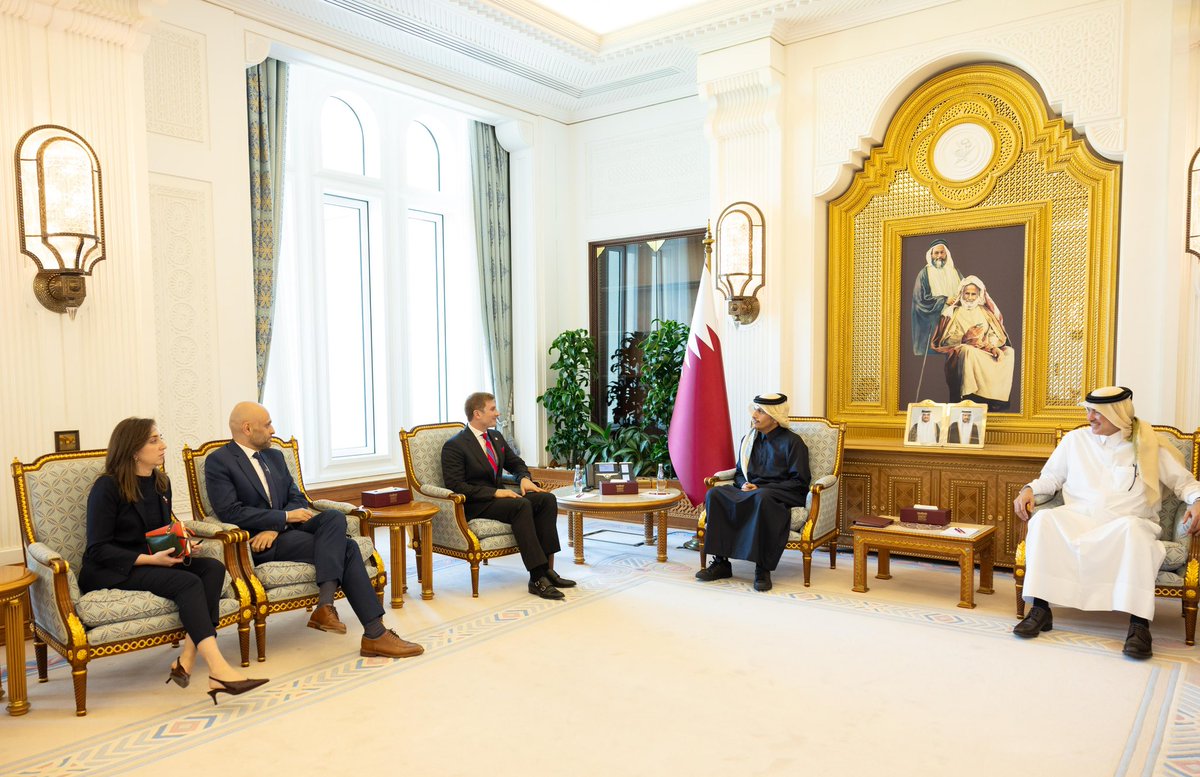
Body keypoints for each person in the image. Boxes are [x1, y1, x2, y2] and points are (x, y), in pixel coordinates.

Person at [205, 402, 423, 659]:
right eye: (267, 425)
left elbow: (297, 497)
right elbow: (231, 512)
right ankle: (373, 633)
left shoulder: (274, 456)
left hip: (282, 530)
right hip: (259, 543)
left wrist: (278, 524)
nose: (273, 430)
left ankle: (327, 608)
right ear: (247, 428)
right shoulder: (219, 462)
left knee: (333, 517)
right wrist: (282, 519)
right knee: (349, 548)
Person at [80, 417, 267, 704]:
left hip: (154, 558)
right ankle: (218, 670)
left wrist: (183, 543)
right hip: (113, 569)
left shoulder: (160, 483)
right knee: (188, 583)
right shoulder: (107, 488)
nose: (163, 445)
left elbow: (161, 531)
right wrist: (150, 559)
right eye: (153, 441)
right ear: (132, 449)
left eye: (160, 438)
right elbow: (97, 549)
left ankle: (187, 658)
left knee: (214, 568)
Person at [1012, 386, 1200, 659]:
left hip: (1126, 523)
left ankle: (1138, 625)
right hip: (1078, 518)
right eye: (1088, 411)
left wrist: (1197, 501)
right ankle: (1041, 609)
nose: (1089, 417)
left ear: (1118, 413)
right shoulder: (1075, 441)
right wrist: (1028, 489)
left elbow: (1184, 483)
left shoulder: (1149, 444)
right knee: (1044, 521)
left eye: (1096, 412)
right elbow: (1050, 478)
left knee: (1134, 533)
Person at [442, 392, 573, 600]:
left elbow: (516, 463)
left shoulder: (495, 436)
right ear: (477, 413)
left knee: (546, 499)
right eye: (493, 409)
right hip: (476, 503)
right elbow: (456, 486)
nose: (498, 413)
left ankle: (548, 570)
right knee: (520, 505)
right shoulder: (455, 446)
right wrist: (495, 492)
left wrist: (523, 478)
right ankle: (537, 578)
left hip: (499, 498)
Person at [696, 393, 810, 592]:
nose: (754, 415)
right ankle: (722, 563)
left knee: (761, 498)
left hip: (780, 493)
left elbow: (799, 482)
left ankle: (762, 569)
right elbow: (740, 473)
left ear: (774, 418)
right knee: (715, 494)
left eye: (760, 411)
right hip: (751, 491)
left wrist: (762, 489)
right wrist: (743, 485)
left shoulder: (793, 443)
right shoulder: (749, 440)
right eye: (755, 410)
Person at [932, 275, 1015, 411]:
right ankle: (971, 395)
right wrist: (966, 337)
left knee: (1009, 353)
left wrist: (991, 345)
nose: (970, 297)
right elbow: (947, 339)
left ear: (979, 295)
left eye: (973, 294)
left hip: (985, 349)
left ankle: (997, 397)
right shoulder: (954, 312)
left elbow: (995, 334)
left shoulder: (985, 312)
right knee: (968, 350)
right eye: (967, 294)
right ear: (962, 294)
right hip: (965, 348)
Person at [911, 239, 962, 356]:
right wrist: (944, 300)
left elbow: (965, 292)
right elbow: (920, 301)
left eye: (942, 253)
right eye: (936, 253)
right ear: (931, 255)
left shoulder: (955, 272)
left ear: (946, 254)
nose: (939, 256)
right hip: (933, 322)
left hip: (954, 321)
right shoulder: (924, 273)